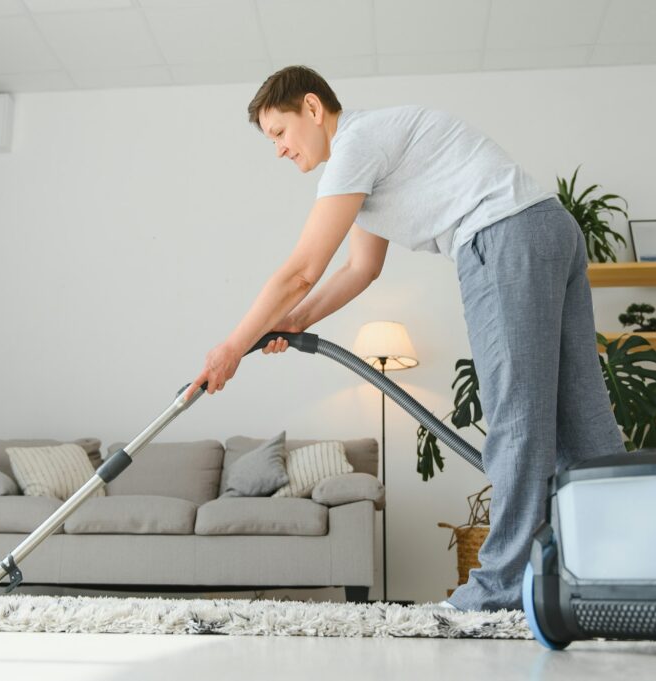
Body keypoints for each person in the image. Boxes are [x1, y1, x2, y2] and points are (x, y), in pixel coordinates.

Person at [185, 65, 623, 611]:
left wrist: (231, 348)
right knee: (584, 417)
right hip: (548, 228)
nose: (277, 149)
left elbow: (303, 270)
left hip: (502, 237)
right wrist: (295, 322)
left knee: (517, 417)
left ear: (314, 109)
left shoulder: (356, 144)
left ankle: (501, 589)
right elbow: (359, 269)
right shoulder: (370, 163)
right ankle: (618, 572)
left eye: (279, 132)